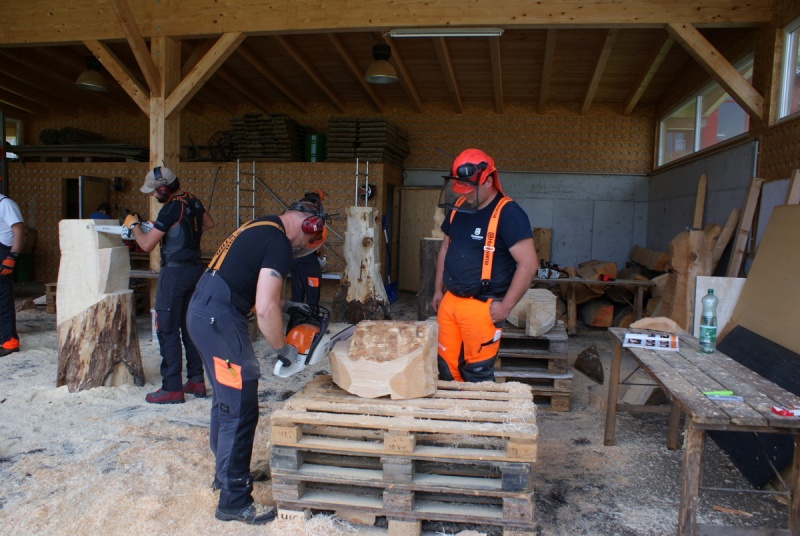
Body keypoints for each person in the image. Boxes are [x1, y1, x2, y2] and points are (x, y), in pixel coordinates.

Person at [186, 196, 327, 525]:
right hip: (220, 322)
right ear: (309, 226)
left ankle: (225, 476)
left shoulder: (261, 224)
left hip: (203, 314)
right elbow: (264, 308)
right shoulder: (278, 242)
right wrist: (283, 348)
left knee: (225, 401)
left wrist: (286, 306)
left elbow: (247, 279)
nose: (302, 249)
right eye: (307, 243)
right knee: (239, 407)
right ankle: (234, 500)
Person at [431, 148, 538, 382]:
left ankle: (476, 406)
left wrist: (506, 306)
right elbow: (446, 248)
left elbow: (529, 264)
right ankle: (452, 407)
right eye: (461, 188)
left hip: (483, 306)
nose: (465, 194)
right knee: (446, 369)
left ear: (488, 181)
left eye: (470, 188)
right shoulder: (459, 207)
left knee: (476, 374)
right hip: (450, 301)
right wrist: (438, 290)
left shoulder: (509, 213)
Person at [126, 166, 215, 404]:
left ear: (164, 189)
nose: (153, 195)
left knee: (166, 328)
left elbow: (146, 245)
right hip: (194, 270)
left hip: (174, 273)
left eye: (155, 192)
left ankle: (172, 387)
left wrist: (134, 226)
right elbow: (208, 223)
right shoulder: (192, 200)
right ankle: (196, 380)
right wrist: (167, 226)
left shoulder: (169, 209)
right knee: (189, 327)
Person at [289, 191, 327, 306]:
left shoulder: (295, 212)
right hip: (307, 258)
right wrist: (322, 254)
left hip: (293, 257)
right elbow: (317, 240)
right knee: (312, 291)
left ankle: (296, 313)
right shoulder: (312, 217)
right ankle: (311, 313)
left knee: (297, 289)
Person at [0, 193, 25, 357]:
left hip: (3, 254)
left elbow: (19, 231)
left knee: (3, 299)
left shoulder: (5, 204)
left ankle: (10, 342)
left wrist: (12, 256)